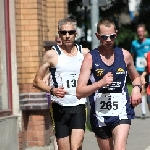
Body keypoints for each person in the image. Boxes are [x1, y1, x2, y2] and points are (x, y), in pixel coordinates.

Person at [76, 18, 142, 150]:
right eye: (104, 36)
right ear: (97, 36)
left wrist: (136, 89)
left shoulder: (125, 55)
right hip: (99, 114)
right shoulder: (90, 58)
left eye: (112, 36)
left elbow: (136, 78)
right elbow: (79, 92)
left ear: (116, 34)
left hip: (122, 111)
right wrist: (100, 83)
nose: (108, 40)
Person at [33, 17, 89, 150]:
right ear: (59, 34)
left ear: (76, 33)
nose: (67, 36)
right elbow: (36, 81)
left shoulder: (85, 53)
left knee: (76, 146)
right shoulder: (51, 55)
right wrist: (52, 90)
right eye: (64, 33)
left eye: (70, 32)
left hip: (79, 105)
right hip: (59, 107)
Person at [131, 24, 150, 119]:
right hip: (139, 68)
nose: (140, 33)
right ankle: (143, 112)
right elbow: (132, 55)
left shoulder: (149, 42)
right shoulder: (134, 43)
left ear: (145, 32)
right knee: (142, 89)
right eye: (138, 32)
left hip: (149, 68)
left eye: (142, 31)